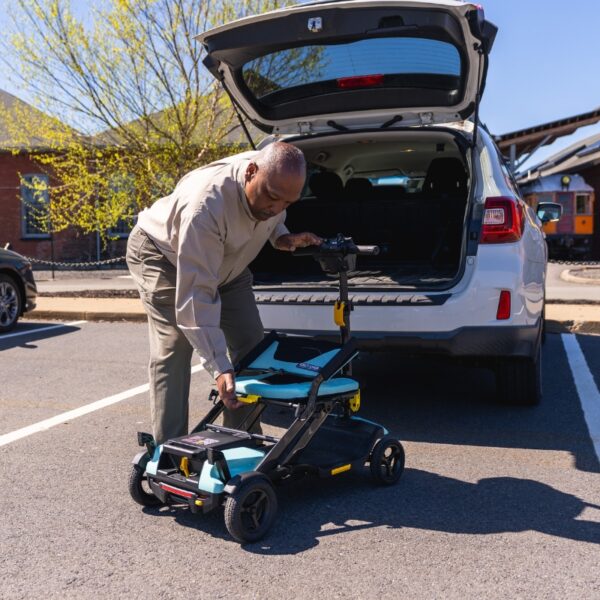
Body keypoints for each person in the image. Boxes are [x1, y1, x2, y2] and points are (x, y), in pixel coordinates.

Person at [126, 142, 321, 444]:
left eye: (288, 203)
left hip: (226, 261)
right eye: (272, 197)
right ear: (251, 172)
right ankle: (168, 451)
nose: (276, 208)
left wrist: (281, 237)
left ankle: (239, 437)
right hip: (162, 255)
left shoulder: (271, 186)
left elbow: (273, 212)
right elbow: (196, 297)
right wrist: (219, 366)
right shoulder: (205, 208)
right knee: (175, 346)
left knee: (251, 344)